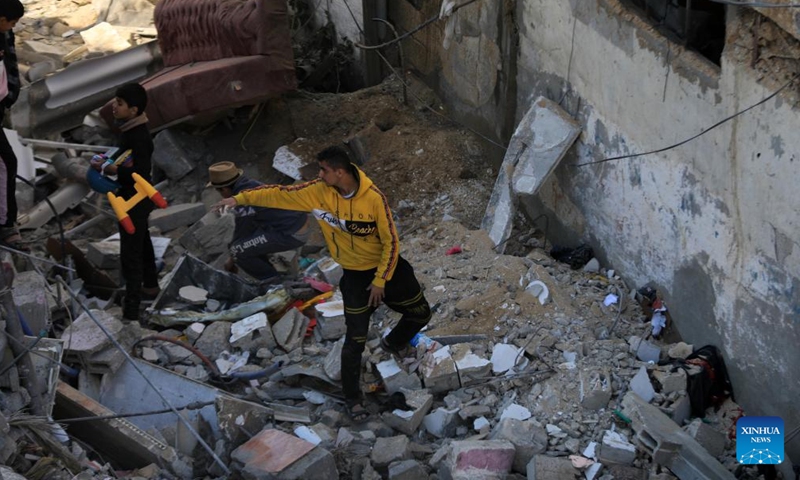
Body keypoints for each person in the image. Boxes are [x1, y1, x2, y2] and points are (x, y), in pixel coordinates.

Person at [215, 146, 432, 422]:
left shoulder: (374, 198)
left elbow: (391, 241)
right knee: (355, 340)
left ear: (339, 172)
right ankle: (353, 400)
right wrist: (239, 199)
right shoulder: (318, 191)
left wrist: (380, 281)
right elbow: (279, 194)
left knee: (421, 313)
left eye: (324, 170)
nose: (319, 174)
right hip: (354, 276)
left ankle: (392, 343)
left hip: (388, 271)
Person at [91, 83, 159, 321]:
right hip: (133, 197)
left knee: (130, 253)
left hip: (134, 200)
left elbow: (139, 171)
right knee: (142, 242)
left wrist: (112, 169)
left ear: (134, 109)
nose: (114, 108)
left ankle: (131, 310)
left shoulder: (139, 136)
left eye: (119, 104)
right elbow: (125, 159)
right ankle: (150, 285)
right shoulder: (130, 129)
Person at [207, 161, 309, 280]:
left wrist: (232, 259)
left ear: (224, 189)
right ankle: (274, 273)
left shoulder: (242, 200)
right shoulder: (250, 185)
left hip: (291, 233)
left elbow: (243, 231)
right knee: (244, 244)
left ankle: (274, 283)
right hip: (294, 224)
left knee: (237, 251)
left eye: (219, 191)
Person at [0, 0, 24, 249]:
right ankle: (6, 225)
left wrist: (9, 98)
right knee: (7, 162)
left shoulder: (5, 34)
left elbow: (11, 68)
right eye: (11, 22)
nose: (12, 27)